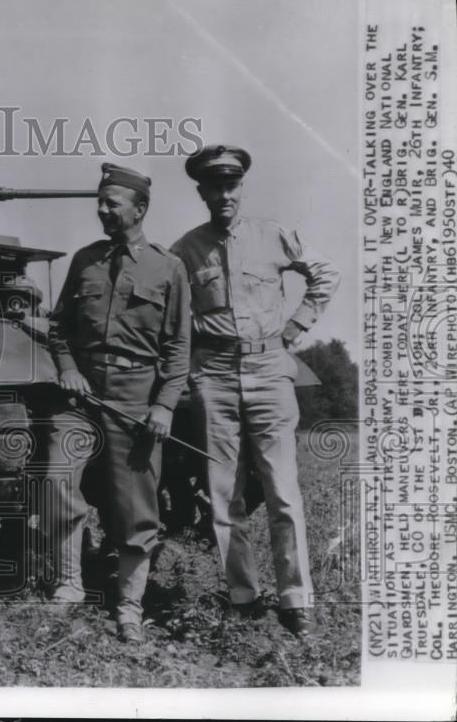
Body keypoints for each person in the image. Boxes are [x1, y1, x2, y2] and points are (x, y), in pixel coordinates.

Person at [170, 144, 341, 636]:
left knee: (283, 490)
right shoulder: (185, 250)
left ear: (241, 188)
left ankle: (295, 599)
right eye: (214, 187)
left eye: (232, 185)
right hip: (215, 373)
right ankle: (242, 595)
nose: (224, 194)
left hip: (270, 368)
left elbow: (326, 273)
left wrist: (296, 326)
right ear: (202, 192)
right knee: (224, 494)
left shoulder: (274, 236)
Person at [45, 163, 190, 644]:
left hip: (135, 396)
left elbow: (177, 347)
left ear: (139, 208)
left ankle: (129, 606)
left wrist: (165, 405)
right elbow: (59, 326)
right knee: (56, 479)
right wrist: (66, 367)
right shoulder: (84, 260)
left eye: (112, 203)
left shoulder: (168, 267)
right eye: (100, 202)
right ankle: (69, 586)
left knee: (135, 507)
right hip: (80, 394)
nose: (102, 210)